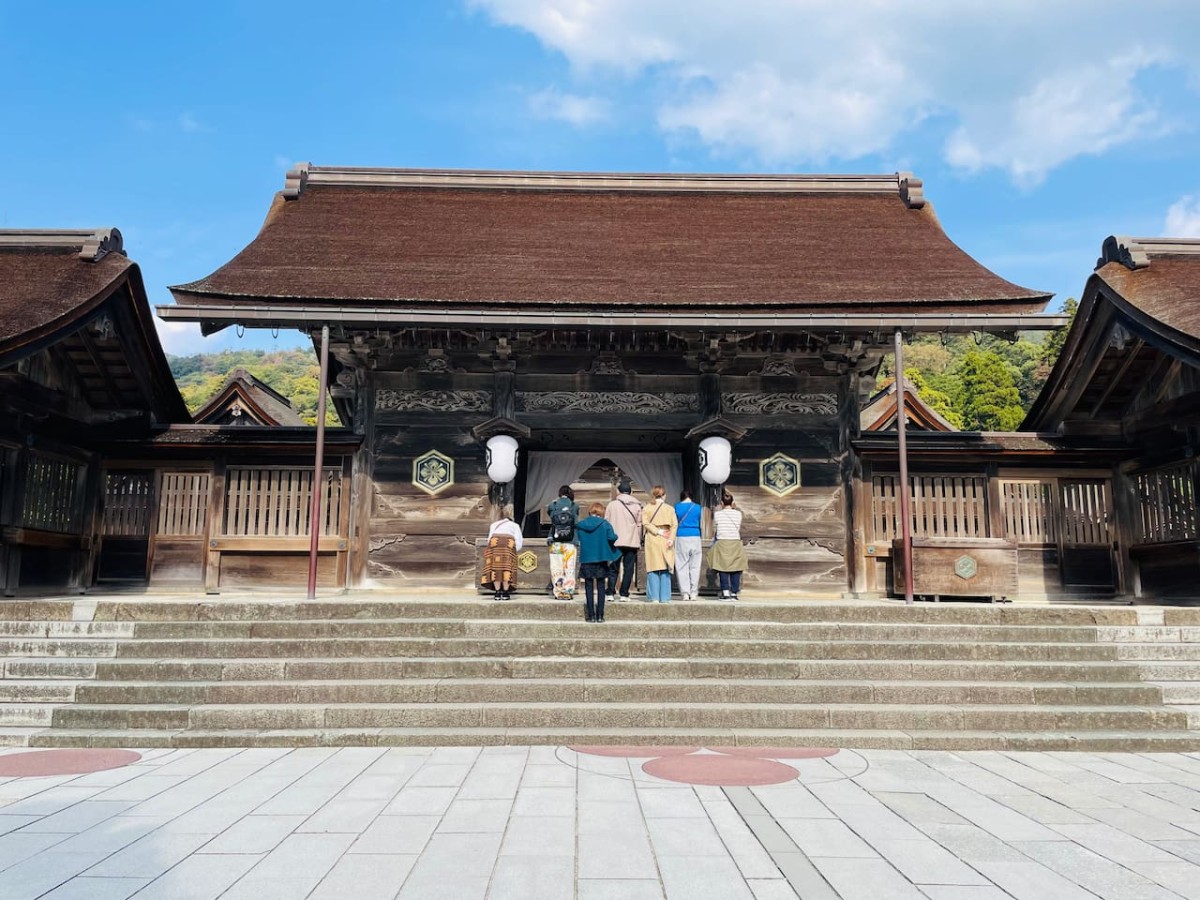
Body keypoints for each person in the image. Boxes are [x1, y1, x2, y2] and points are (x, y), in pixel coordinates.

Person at [576, 501, 620, 622]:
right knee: (601, 586)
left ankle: (591, 616)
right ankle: (600, 615)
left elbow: (578, 537)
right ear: (601, 512)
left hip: (587, 558)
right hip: (601, 558)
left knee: (588, 587)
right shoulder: (605, 524)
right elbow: (612, 537)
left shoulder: (582, 524)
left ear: (590, 511)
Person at [604, 479, 643, 602]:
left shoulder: (612, 505)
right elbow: (639, 525)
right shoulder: (637, 506)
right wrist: (639, 539)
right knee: (629, 568)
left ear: (618, 491)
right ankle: (624, 594)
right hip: (631, 541)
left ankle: (610, 592)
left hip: (615, 541)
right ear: (631, 493)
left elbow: (606, 523)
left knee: (613, 567)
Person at [709, 491, 747, 601]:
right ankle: (734, 593)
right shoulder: (738, 514)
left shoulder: (717, 515)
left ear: (721, 503)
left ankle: (725, 592)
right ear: (733, 502)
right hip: (735, 541)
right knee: (736, 567)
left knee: (722, 567)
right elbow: (738, 527)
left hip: (722, 542)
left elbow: (716, 527)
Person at [642, 485, 678, 602]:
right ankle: (665, 597)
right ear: (664, 495)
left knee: (653, 567)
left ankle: (654, 597)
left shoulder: (647, 508)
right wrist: (671, 538)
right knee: (665, 567)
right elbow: (674, 525)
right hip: (666, 537)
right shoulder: (670, 508)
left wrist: (657, 531)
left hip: (652, 537)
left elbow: (645, 523)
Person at [481, 507, 523, 601]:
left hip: (495, 547)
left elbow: (489, 539)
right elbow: (519, 541)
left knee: (496, 569)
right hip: (508, 547)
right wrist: (513, 551)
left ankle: (497, 592)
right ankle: (505, 592)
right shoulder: (515, 525)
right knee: (506, 569)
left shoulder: (494, 525)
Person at [546, 485, 579, 600]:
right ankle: (568, 591)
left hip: (555, 540)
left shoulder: (553, 505)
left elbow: (551, 516)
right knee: (569, 567)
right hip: (570, 540)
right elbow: (575, 521)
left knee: (556, 567)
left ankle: (559, 591)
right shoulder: (574, 506)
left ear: (560, 493)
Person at [674, 488, 703, 601]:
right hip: (695, 535)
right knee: (695, 566)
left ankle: (685, 593)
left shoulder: (677, 507)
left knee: (682, 565)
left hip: (681, 535)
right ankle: (694, 592)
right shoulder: (698, 507)